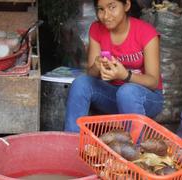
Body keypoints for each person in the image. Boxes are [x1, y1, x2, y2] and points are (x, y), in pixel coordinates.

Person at [64, 0, 164, 132]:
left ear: (126, 5)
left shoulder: (146, 33)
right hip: (112, 95)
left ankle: (133, 149)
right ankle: (72, 143)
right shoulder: (96, 29)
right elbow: (91, 74)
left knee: (127, 92)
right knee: (81, 83)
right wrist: (97, 66)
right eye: (101, 9)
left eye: (112, 7)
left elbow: (153, 81)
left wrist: (125, 75)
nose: (106, 15)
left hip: (146, 98)